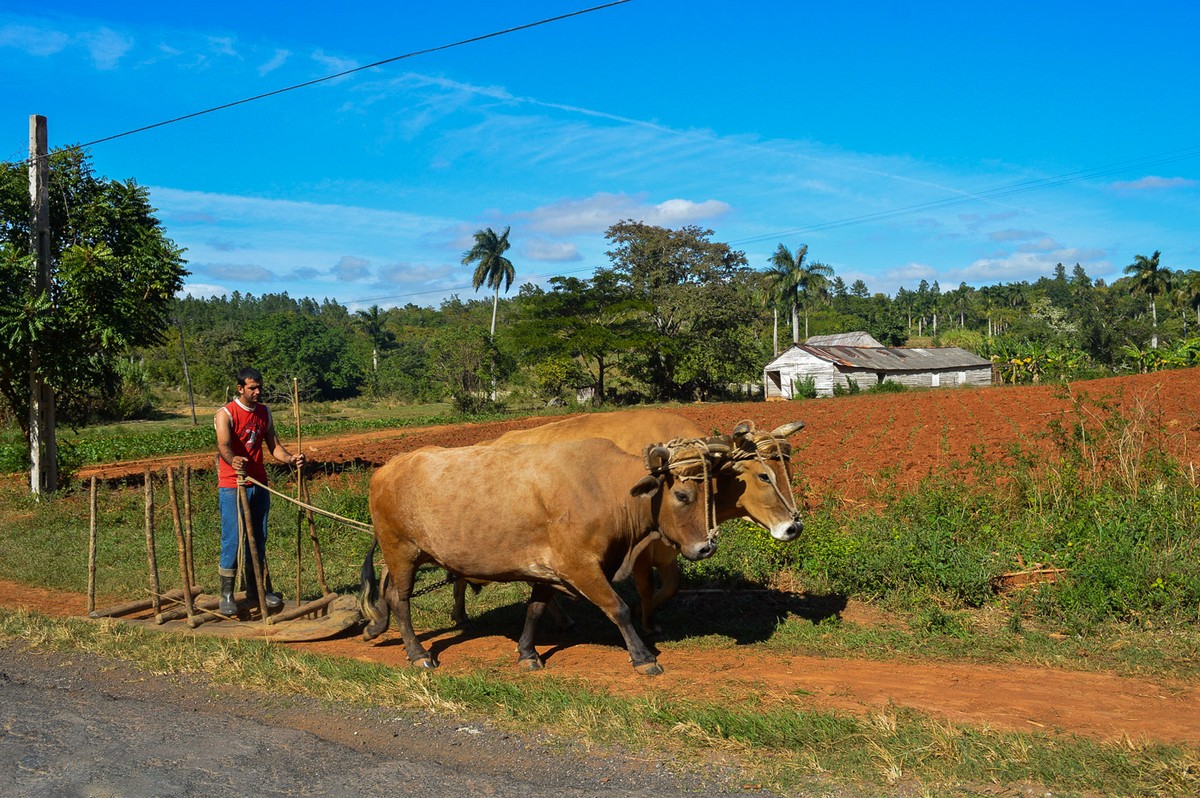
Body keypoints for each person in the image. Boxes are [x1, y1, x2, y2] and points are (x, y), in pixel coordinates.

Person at [215, 367, 305, 615]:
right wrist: (233, 460)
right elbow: (223, 445)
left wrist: (290, 459)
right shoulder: (226, 414)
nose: (257, 392)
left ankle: (256, 589)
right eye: (252, 388)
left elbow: (274, 445)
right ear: (240, 388)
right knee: (233, 539)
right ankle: (226, 594)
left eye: (259, 387)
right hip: (233, 485)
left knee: (258, 538)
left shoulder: (264, 412)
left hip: (259, 484)